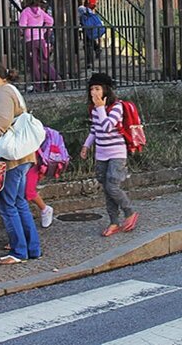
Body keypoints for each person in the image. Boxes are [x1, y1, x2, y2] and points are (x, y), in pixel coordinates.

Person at [0, 62, 41, 265]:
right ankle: (32, 248)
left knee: (7, 205)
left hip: (11, 159)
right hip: (23, 157)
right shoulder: (11, 90)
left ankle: (19, 250)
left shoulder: (3, 93)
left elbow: (3, 121)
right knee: (20, 202)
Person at [79, 72, 139, 238]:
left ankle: (130, 212)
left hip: (116, 153)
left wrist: (100, 108)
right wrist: (86, 145)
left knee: (113, 186)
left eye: (97, 89)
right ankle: (114, 222)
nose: (94, 93)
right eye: (92, 89)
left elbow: (106, 126)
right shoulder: (94, 109)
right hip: (101, 154)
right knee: (107, 190)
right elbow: (95, 129)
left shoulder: (116, 107)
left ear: (106, 90)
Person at [19, 0, 59, 93]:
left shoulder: (26, 12)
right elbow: (50, 20)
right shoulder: (40, 11)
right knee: (44, 62)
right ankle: (58, 80)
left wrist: (22, 33)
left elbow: (22, 25)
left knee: (33, 64)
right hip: (41, 40)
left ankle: (38, 86)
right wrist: (44, 30)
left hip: (30, 41)